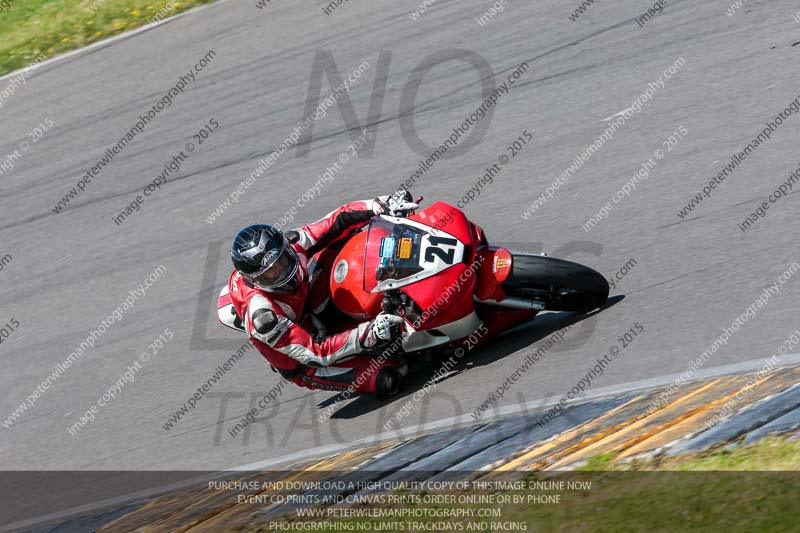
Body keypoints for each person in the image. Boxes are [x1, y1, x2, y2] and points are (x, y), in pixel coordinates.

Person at [226, 191, 419, 396]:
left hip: (304, 303)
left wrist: (381, 205)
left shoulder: (292, 244)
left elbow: (339, 218)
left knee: (346, 240)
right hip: (307, 362)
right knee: (387, 377)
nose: (283, 271)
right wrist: (367, 335)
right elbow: (318, 353)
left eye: (283, 261)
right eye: (271, 274)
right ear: (256, 281)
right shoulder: (264, 319)